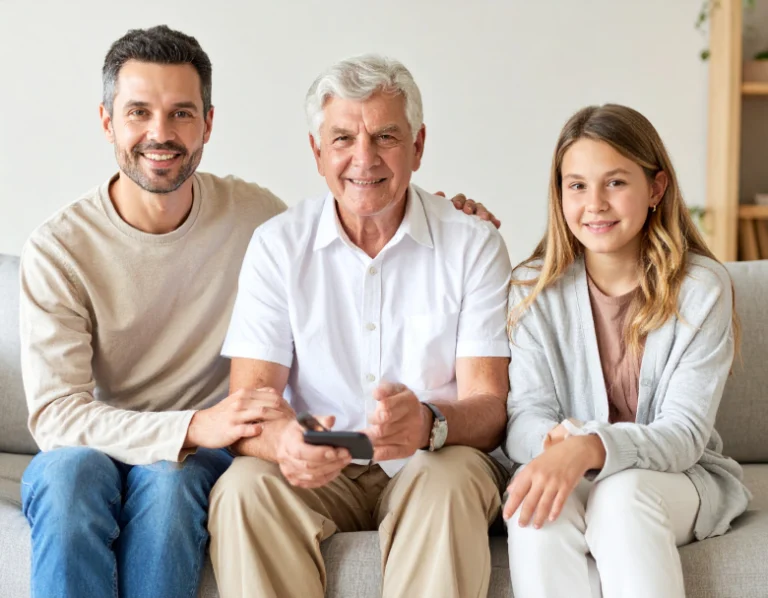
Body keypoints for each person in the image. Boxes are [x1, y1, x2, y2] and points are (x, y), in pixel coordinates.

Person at [18, 26, 495, 598]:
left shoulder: (254, 217)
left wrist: (438, 215)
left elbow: (366, 197)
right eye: (139, 111)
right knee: (81, 477)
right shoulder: (62, 248)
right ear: (107, 120)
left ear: (208, 124)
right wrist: (223, 431)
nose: (160, 133)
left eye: (181, 113)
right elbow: (57, 416)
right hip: (129, 440)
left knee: (175, 485)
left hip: (253, 452)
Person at [207, 54, 512, 598]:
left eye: (386, 137)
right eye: (343, 138)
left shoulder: (473, 244)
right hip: (322, 467)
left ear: (418, 147)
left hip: (433, 459)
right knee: (243, 489)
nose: (363, 158)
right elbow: (251, 401)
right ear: (317, 151)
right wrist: (284, 441)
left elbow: (490, 409)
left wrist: (427, 422)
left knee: (448, 480)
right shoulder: (278, 246)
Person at [501, 103, 751, 598]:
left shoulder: (702, 289)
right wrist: (555, 449)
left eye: (614, 182)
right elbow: (524, 416)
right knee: (535, 506)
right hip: (571, 471)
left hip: (675, 478)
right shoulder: (532, 289)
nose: (594, 203)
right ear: (560, 194)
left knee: (621, 496)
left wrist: (589, 447)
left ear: (655, 188)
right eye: (576, 185)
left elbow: (683, 436)